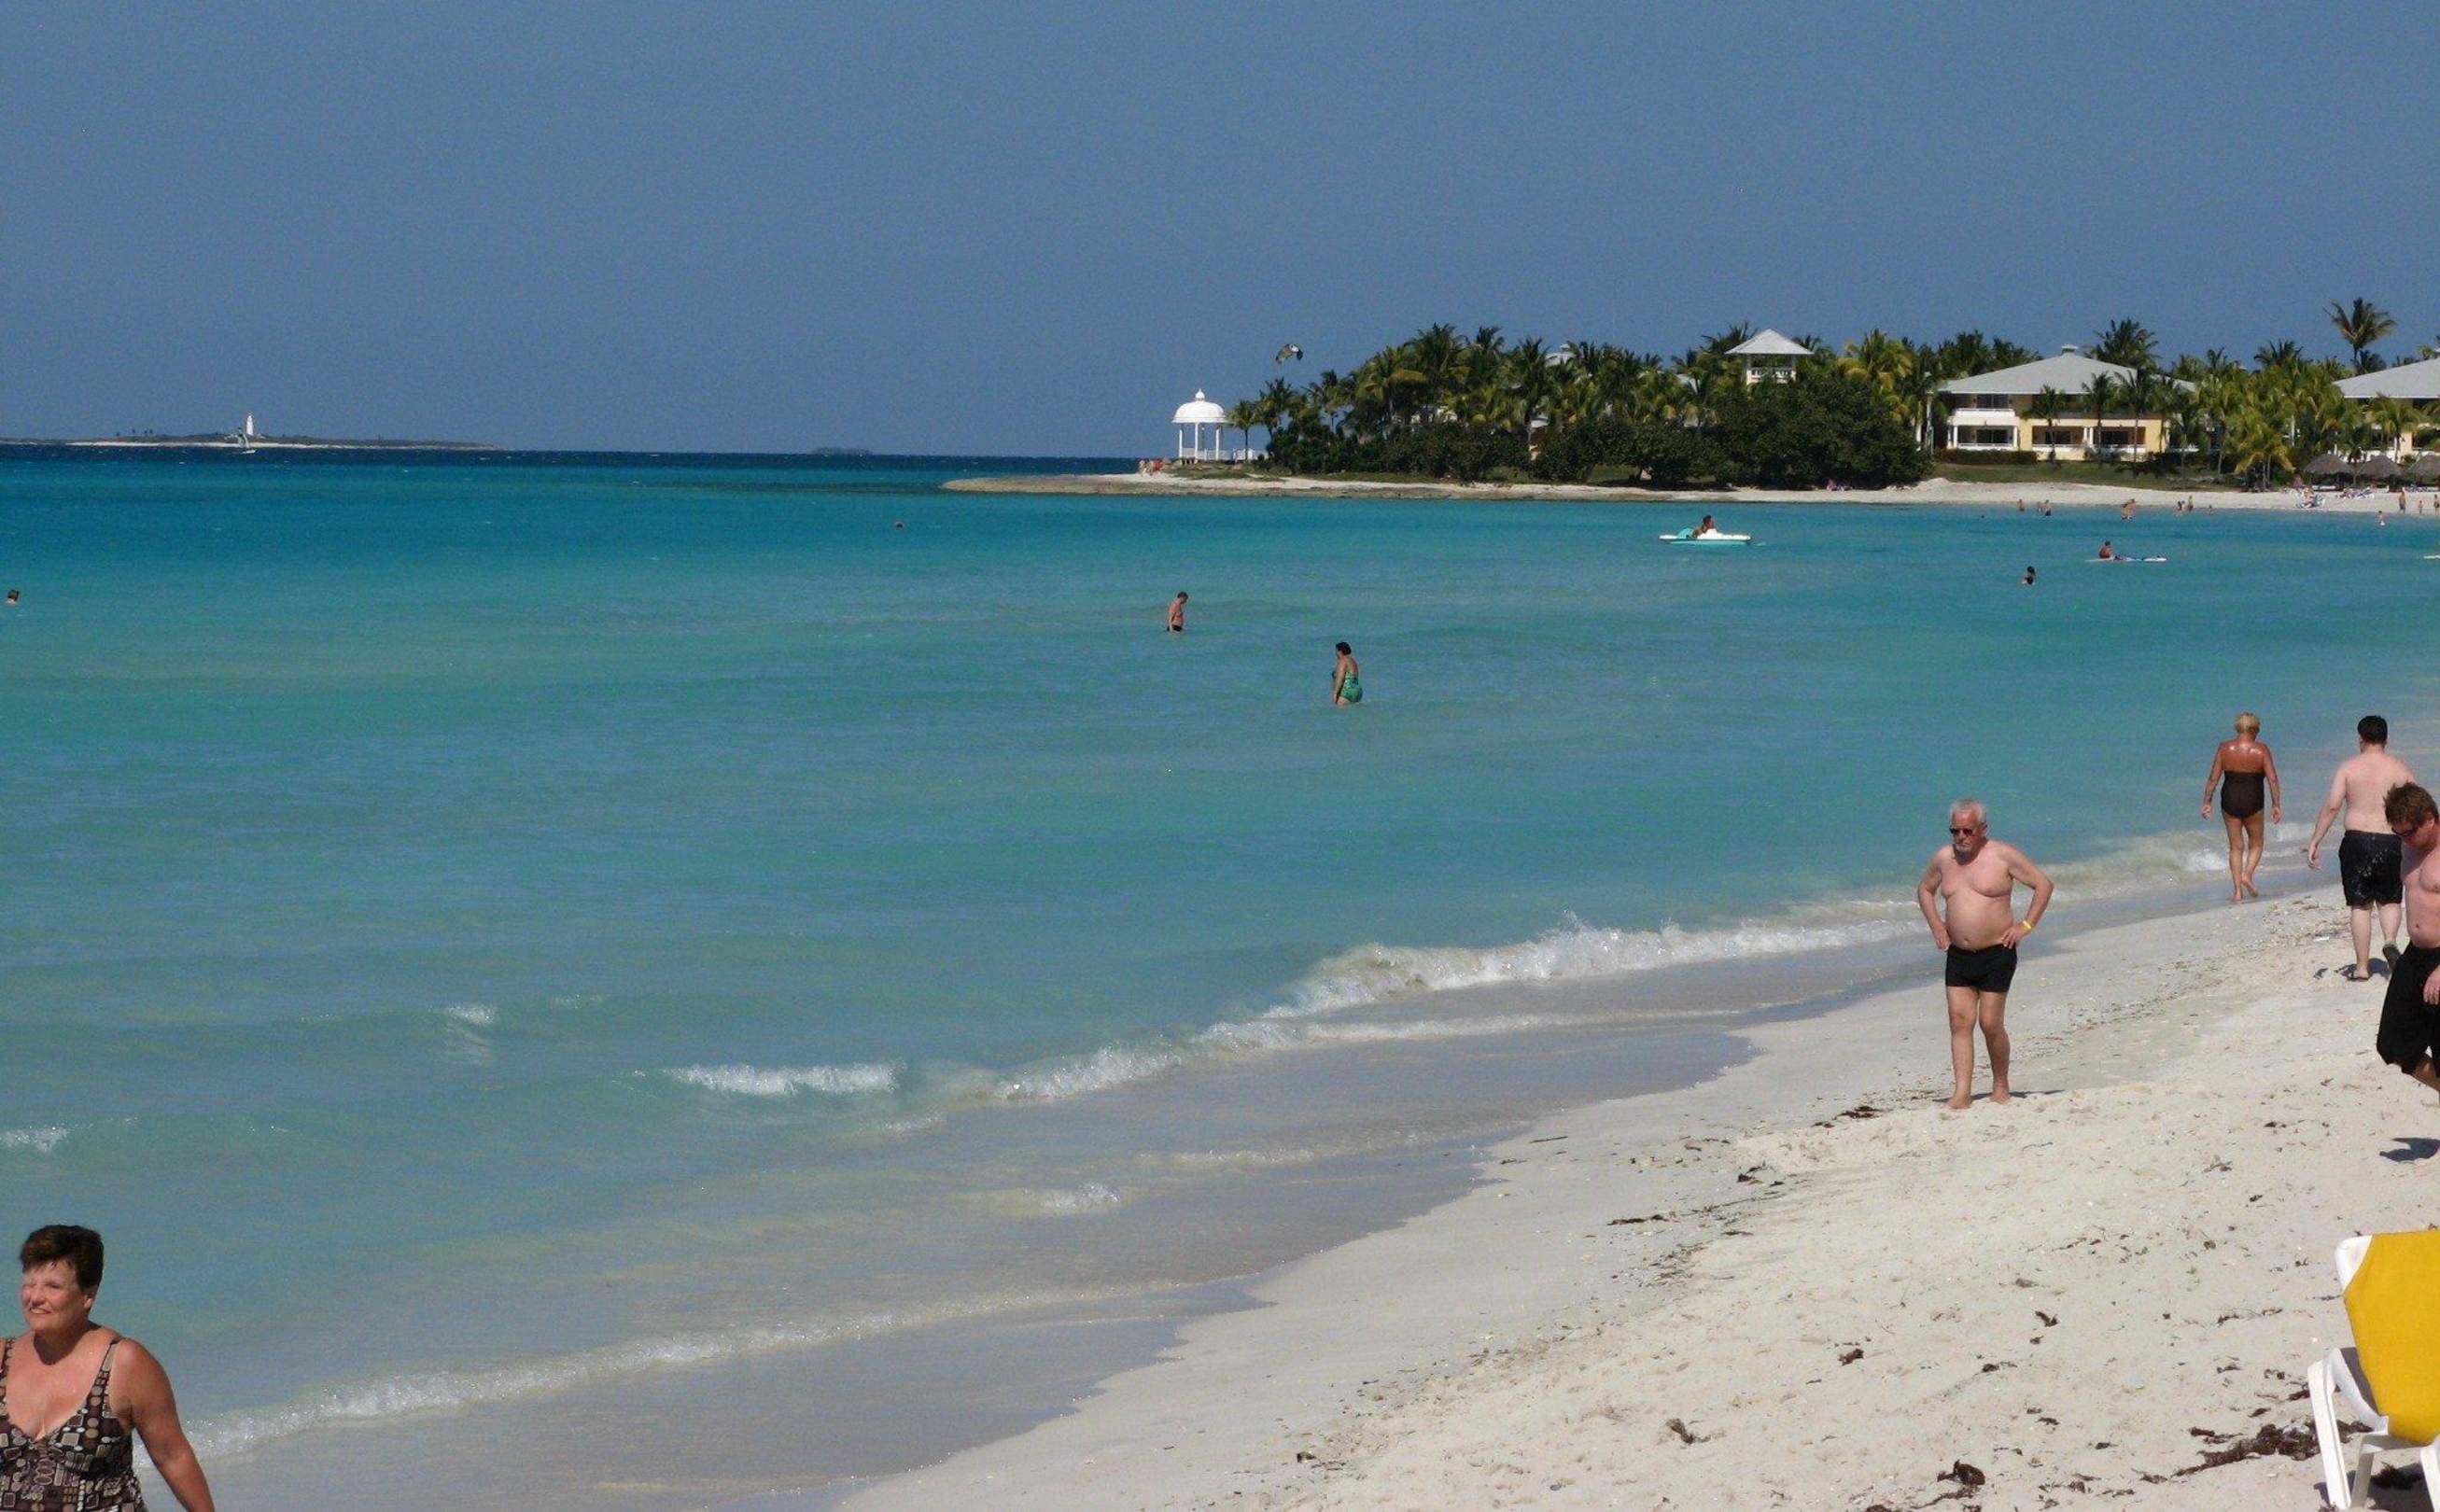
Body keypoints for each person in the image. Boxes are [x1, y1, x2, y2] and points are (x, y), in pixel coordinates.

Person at [4, 1225, 215, 1509]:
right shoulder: (3, 1358)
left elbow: (171, 1455)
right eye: (29, 1284)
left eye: (53, 1287)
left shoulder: (124, 1363)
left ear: (88, 1295)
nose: (35, 1297)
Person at [1916, 800, 2054, 1110]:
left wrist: (2026, 925)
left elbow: (2043, 884)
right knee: (1959, 1021)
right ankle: (1962, 1092)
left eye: (1967, 831)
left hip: (1997, 952)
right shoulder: (1944, 858)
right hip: (1959, 955)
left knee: (1990, 1023)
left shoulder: (2002, 855)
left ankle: (2000, 1084)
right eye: (1955, 830)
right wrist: (1937, 925)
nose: (1961, 837)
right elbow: (1924, 890)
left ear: (1983, 829)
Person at [2307, 715, 2416, 980]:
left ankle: (2362, 967)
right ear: (2386, 739)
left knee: (2360, 905)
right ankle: (2389, 941)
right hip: (2390, 840)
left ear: (2360, 739)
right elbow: (2416, 804)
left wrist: (2315, 840)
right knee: (2390, 899)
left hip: (2356, 842)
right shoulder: (2400, 769)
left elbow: (2333, 806)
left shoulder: (2348, 768)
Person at [2378, 782, 2440, 1096]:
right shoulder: (2408, 849)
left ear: (2430, 819)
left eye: (2410, 832)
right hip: (2415, 955)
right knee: (2393, 1044)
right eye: (2398, 833)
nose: (2405, 840)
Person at [2202, 713, 2281, 903]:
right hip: (2253, 799)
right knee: (2257, 842)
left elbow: (2213, 779)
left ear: (2238, 728)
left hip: (2230, 799)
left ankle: (2237, 891)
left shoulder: (2224, 748)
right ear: (2255, 729)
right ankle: (2248, 874)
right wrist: (2276, 804)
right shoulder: (2261, 750)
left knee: (2236, 847)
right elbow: (2272, 779)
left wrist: (2207, 801)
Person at [1331, 641, 1362, 706]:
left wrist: (1335, 693)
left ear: (1340, 651)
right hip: (1357, 691)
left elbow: (1341, 677)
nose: (1335, 653)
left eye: (1336, 651)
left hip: (1346, 690)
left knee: (1340, 711)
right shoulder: (1353, 661)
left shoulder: (1342, 660)